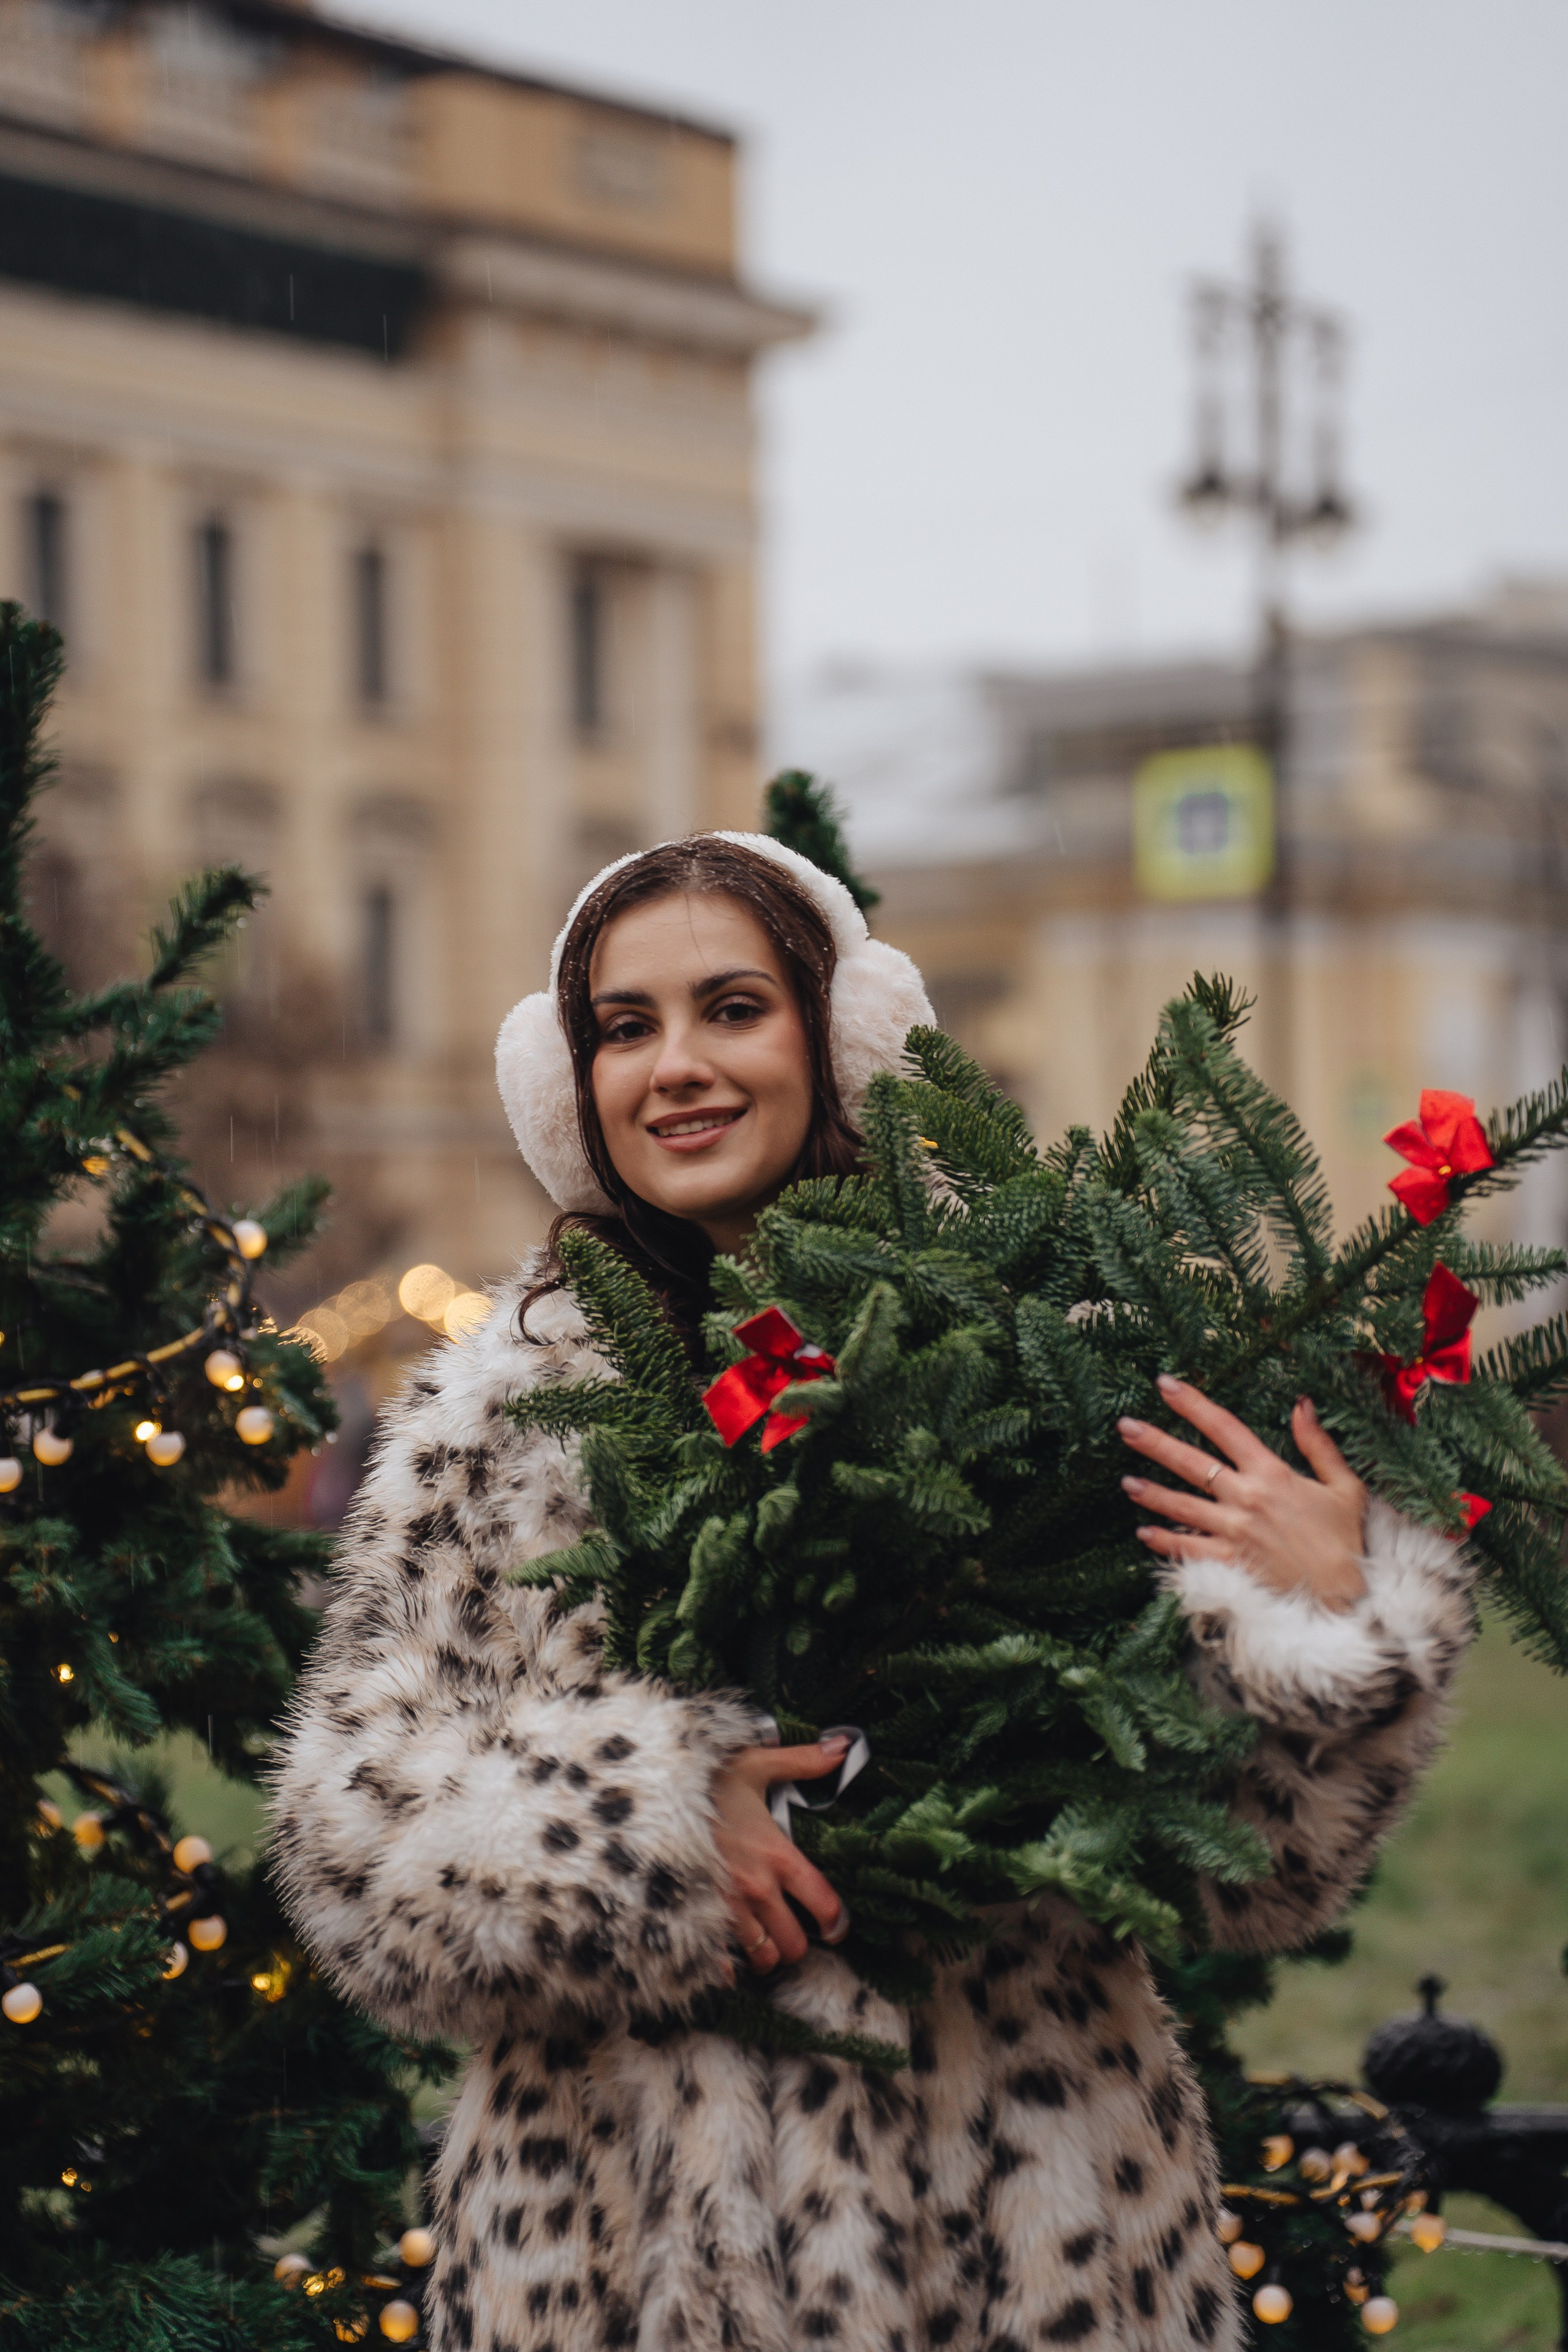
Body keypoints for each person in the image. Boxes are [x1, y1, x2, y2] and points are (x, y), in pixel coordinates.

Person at [271, 832, 1474, 2352]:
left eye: (732, 1007)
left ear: (841, 1037)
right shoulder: (492, 1424)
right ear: (566, 1087)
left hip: (1031, 2250)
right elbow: (352, 1843)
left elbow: (1252, 1878)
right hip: (619, 2267)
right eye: (622, 1029)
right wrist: (645, 1821)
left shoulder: (1044, 1359)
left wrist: (1314, 1623)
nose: (675, 1068)